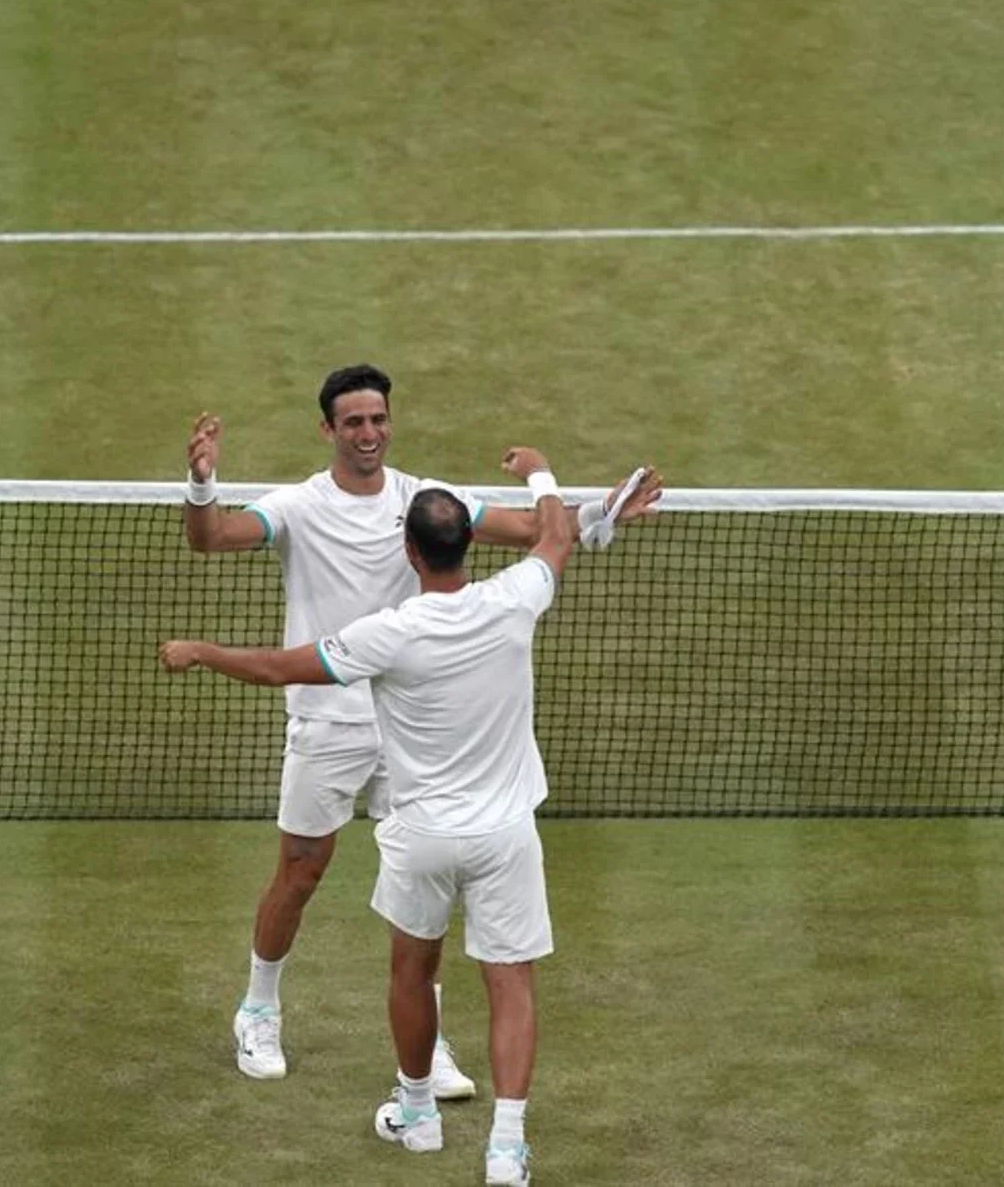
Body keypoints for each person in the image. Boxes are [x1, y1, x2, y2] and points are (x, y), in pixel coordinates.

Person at [183, 365, 660, 1087]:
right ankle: (258, 1006)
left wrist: (599, 514)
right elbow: (212, 538)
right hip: (328, 717)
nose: (369, 434)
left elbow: (535, 531)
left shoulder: (422, 501)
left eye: (378, 419)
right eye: (354, 423)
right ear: (328, 430)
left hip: (408, 727)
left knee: (421, 888)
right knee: (301, 869)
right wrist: (202, 482)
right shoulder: (300, 506)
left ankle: (426, 1045)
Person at [162, 445, 571, 1187]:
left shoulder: (386, 635)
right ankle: (507, 1151)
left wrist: (202, 650)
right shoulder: (516, 598)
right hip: (507, 835)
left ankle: (416, 1115)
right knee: (511, 982)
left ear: (409, 551)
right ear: (465, 545)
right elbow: (555, 536)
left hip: (422, 838)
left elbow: (279, 667)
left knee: (410, 972)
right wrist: (540, 471)